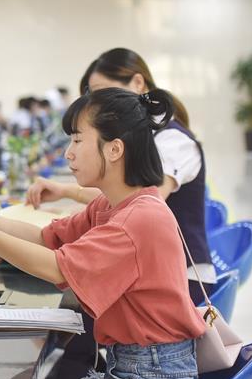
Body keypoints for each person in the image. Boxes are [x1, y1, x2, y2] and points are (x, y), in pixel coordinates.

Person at [0, 88, 205, 379]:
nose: (68, 153)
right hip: (136, 373)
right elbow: (46, 237)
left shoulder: (138, 219)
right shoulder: (114, 204)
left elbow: (56, 267)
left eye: (77, 141)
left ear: (115, 149)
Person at [27, 48, 214, 300]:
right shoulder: (141, 135)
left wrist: (71, 196)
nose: (98, 102)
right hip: (151, 270)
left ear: (138, 83)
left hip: (184, 278)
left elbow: (142, 201)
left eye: (102, 91)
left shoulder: (173, 140)